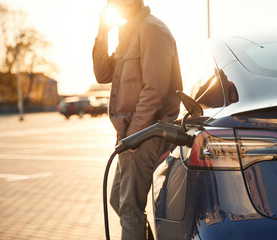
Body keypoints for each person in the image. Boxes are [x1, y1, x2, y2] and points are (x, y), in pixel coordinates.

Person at [92, 0, 183, 239]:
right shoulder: (128, 33)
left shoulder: (153, 30)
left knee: (130, 210)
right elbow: (102, 73)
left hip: (145, 134)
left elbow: (154, 90)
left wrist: (134, 135)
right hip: (131, 134)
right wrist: (103, 31)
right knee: (118, 200)